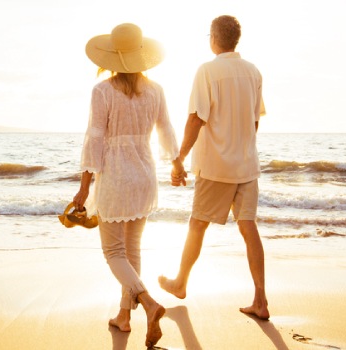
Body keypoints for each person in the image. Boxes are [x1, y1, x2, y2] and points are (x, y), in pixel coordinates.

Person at [73, 23, 179, 347]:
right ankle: (124, 316)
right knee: (132, 249)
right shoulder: (156, 90)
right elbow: (165, 129)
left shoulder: (102, 91)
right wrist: (176, 162)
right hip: (145, 175)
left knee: (114, 251)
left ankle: (148, 303)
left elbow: (95, 139)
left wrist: (83, 187)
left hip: (117, 176)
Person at [159, 15, 270, 320]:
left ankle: (180, 282)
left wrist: (179, 158)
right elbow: (255, 121)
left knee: (197, 224)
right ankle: (261, 300)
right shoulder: (253, 72)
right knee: (249, 228)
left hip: (216, 166)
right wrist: (242, 147)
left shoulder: (207, 71)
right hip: (247, 165)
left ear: (214, 38)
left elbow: (196, 118)